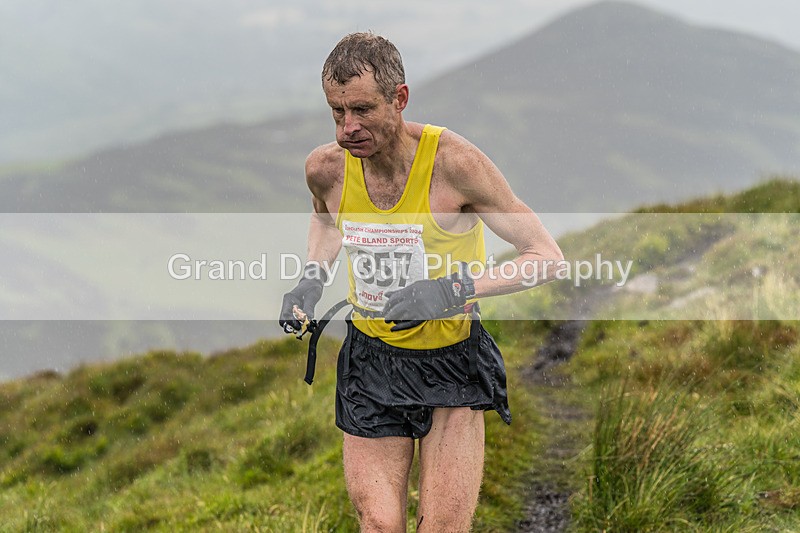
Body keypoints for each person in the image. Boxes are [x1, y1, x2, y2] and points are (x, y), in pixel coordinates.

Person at [280, 32, 564, 532]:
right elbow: (325, 221)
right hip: (370, 361)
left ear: (400, 99)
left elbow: (545, 257)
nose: (348, 128)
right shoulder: (325, 169)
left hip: (450, 359)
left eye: (363, 110)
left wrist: (453, 291)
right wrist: (309, 280)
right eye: (337, 112)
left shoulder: (454, 165)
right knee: (379, 524)